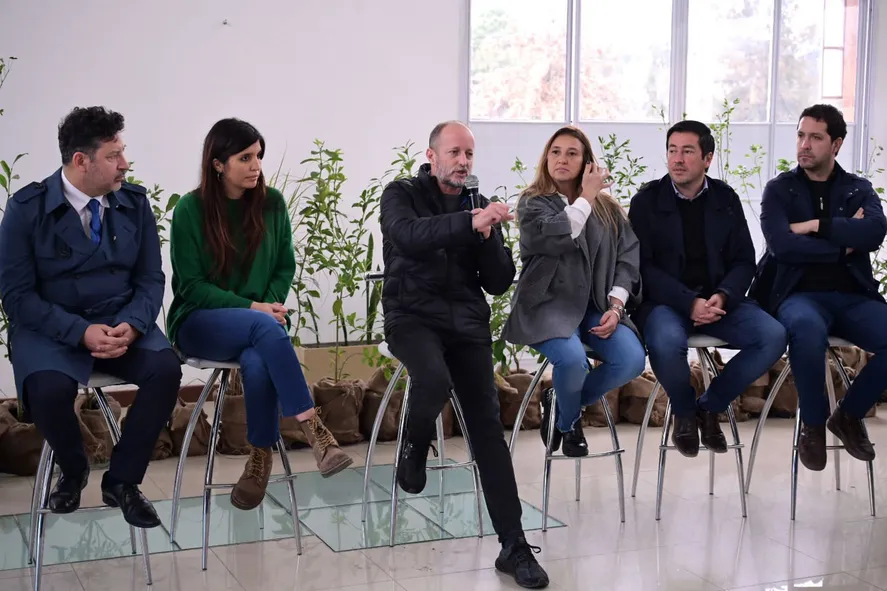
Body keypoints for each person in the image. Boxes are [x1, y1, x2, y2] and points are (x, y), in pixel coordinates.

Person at [380, 120, 549, 588]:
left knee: (487, 430)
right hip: (411, 317)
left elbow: (497, 281)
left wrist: (488, 235)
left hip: (467, 326)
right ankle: (415, 442)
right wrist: (467, 223)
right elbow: (407, 235)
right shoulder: (401, 194)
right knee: (433, 379)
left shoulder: (478, 202)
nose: (463, 161)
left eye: (469, 154)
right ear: (432, 156)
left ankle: (513, 545)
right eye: (454, 152)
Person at [0, 107, 182, 528]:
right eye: (113, 155)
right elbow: (17, 297)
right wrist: (80, 332)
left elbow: (151, 278)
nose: (125, 164)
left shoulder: (134, 202)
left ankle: (122, 480)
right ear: (81, 160)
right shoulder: (26, 209)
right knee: (47, 389)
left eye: (123, 152)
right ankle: (73, 467)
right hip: (52, 328)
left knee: (164, 369)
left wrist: (134, 324)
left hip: (120, 322)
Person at [166, 118, 352, 511]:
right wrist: (256, 309)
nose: (256, 166)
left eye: (259, 156)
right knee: (262, 328)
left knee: (256, 359)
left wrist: (269, 304)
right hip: (199, 321)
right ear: (218, 164)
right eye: (245, 158)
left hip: (259, 324)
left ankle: (259, 458)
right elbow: (191, 286)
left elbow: (284, 266)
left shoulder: (272, 204)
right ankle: (314, 429)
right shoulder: (189, 209)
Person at [628, 120, 786, 457]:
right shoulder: (646, 201)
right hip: (666, 303)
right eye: (672, 151)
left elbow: (744, 260)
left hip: (719, 302)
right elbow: (642, 268)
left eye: (687, 151)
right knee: (666, 340)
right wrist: (689, 302)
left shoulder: (725, 198)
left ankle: (710, 405)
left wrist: (723, 295)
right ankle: (684, 413)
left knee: (772, 336)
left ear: (707, 158)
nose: (677, 159)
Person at [756, 104, 887, 471]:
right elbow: (782, 246)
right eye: (801, 135)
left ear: (836, 144)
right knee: (806, 330)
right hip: (798, 296)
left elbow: (874, 232)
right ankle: (812, 426)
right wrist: (843, 246)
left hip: (853, 296)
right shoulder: (779, 189)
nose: (804, 144)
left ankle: (848, 415)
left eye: (815, 137)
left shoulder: (857, 189)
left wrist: (814, 225)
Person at [503, 126, 645, 456]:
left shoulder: (608, 209)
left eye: (572, 153)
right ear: (546, 158)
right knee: (572, 361)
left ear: (586, 163)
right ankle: (568, 425)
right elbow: (558, 235)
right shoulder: (532, 203)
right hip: (546, 306)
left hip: (594, 306)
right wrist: (586, 197)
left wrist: (616, 306)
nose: (562, 159)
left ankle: (560, 401)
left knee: (631, 360)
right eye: (555, 152)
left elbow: (627, 258)